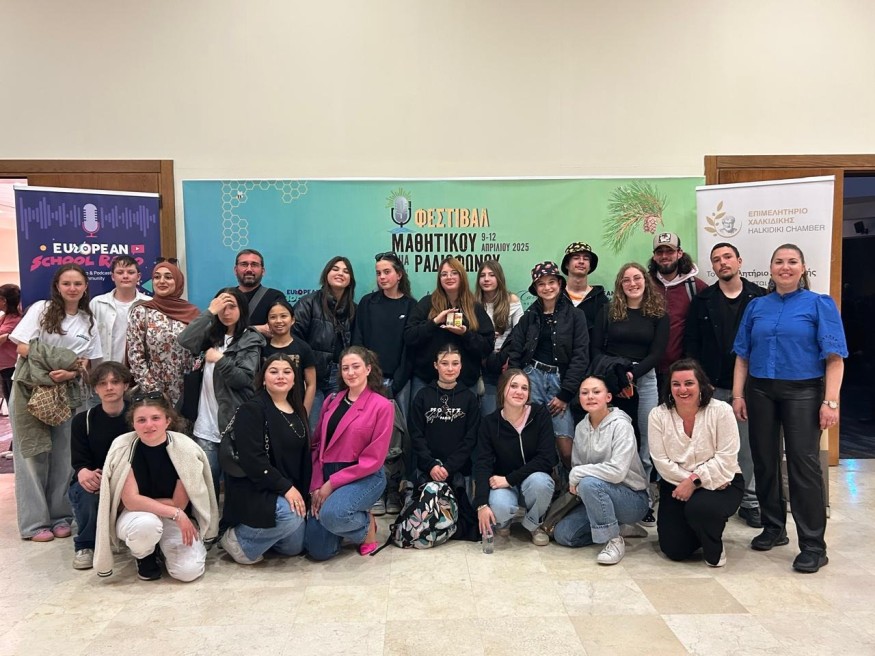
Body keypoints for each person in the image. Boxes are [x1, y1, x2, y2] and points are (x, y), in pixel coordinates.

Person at [732, 244, 847, 573]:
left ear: (803, 268)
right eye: (779, 262)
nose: (785, 267)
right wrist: (738, 395)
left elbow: (835, 358)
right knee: (764, 460)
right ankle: (773, 528)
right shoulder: (757, 306)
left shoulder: (819, 304)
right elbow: (743, 355)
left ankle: (813, 545)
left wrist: (831, 401)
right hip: (760, 390)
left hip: (803, 391)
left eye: (792, 262)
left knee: (802, 465)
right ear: (770, 268)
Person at [9, 264, 102, 541]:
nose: (72, 288)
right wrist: (59, 362)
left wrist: (71, 372)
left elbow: (86, 361)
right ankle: (35, 523)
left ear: (85, 287)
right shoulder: (42, 309)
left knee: (64, 456)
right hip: (31, 389)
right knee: (32, 456)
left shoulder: (88, 320)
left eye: (77, 283)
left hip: (68, 392)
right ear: (57, 287)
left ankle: (61, 516)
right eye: (66, 283)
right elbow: (22, 346)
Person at [94, 392, 219, 581]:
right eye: (141, 420)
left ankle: (163, 549)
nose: (149, 425)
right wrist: (175, 512)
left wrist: (147, 504)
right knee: (147, 525)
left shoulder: (185, 448)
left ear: (167, 421)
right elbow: (130, 501)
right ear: (133, 423)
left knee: (188, 572)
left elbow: (179, 503)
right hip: (137, 517)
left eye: (155, 418)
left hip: (171, 516)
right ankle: (144, 555)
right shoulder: (123, 447)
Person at [685, 242, 767, 528]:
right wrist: (699, 382)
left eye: (728, 257)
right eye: (717, 259)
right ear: (713, 266)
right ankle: (715, 497)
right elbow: (692, 344)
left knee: (748, 447)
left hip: (751, 387)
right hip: (712, 385)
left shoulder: (760, 297)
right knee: (709, 447)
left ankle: (750, 501)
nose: (723, 263)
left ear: (739, 261)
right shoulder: (702, 300)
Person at [593, 262, 668, 525]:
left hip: (644, 379)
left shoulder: (658, 314)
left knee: (646, 441)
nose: (632, 283)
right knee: (614, 438)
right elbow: (595, 349)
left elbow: (657, 353)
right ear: (620, 285)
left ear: (645, 281)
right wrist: (618, 376)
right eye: (626, 280)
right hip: (612, 379)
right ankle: (613, 496)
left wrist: (632, 375)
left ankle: (642, 499)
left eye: (637, 278)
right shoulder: (608, 311)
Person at [649, 359, 744, 567]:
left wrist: (695, 480)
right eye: (676, 384)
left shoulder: (721, 411)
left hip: (723, 481)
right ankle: (701, 529)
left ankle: (713, 544)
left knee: (702, 508)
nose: (682, 389)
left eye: (689, 383)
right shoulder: (658, 415)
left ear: (701, 385)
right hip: (676, 485)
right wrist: (689, 482)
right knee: (674, 549)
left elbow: (726, 457)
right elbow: (661, 461)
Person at [220, 354, 312, 565]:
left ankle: (263, 537)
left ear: (294, 380)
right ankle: (237, 539)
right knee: (291, 516)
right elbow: (253, 460)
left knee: (293, 548)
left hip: (285, 488)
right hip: (257, 488)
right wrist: (286, 488)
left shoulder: (298, 410)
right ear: (263, 379)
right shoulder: (252, 409)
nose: (280, 376)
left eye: (287, 372)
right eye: (273, 371)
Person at [305, 346, 393, 560]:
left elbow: (373, 459)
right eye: (345, 368)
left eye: (356, 367)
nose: (351, 372)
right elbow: (317, 446)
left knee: (332, 515)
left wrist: (331, 484)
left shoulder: (382, 406)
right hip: (327, 472)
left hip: (363, 476)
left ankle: (366, 527)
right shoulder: (331, 400)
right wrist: (316, 485)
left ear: (368, 369)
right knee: (318, 550)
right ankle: (345, 521)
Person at [553, 376, 649, 565]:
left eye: (596, 392)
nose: (590, 396)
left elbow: (617, 471)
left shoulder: (621, 425)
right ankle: (619, 527)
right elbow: (578, 467)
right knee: (563, 534)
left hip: (632, 498)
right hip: (596, 496)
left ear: (608, 397)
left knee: (589, 483)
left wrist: (579, 475)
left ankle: (613, 540)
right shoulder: (581, 428)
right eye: (584, 393)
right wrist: (579, 476)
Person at [177, 288, 265, 493]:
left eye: (232, 306)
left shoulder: (250, 340)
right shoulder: (211, 336)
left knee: (236, 484)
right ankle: (211, 516)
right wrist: (209, 312)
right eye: (222, 307)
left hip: (233, 425)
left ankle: (233, 515)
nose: (226, 312)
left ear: (242, 309)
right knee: (208, 485)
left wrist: (221, 360)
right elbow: (184, 340)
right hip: (205, 425)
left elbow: (243, 379)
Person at [506, 261, 590, 472]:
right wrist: (515, 383)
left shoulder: (575, 316)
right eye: (541, 284)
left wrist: (565, 394)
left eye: (551, 282)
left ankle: (573, 484)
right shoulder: (529, 316)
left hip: (560, 383)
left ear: (560, 284)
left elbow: (581, 356)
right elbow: (515, 350)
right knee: (533, 442)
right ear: (535, 288)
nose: (547, 287)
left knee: (566, 447)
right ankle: (545, 481)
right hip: (531, 379)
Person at [352, 251, 416, 514]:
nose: (382, 277)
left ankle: (394, 490)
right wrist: (370, 380)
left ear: (399, 274)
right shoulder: (367, 303)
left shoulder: (410, 306)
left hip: (400, 382)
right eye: (378, 273)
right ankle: (376, 491)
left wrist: (395, 384)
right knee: (372, 438)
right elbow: (358, 342)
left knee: (401, 439)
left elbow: (410, 349)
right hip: (370, 383)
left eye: (387, 272)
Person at [473, 369, 557, 547]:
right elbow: (482, 464)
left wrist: (509, 479)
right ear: (502, 389)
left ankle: (533, 525)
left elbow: (547, 458)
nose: (519, 392)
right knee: (499, 507)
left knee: (541, 482)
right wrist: (481, 504)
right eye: (514, 386)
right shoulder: (489, 423)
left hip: (529, 481)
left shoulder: (540, 415)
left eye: (524, 388)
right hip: (503, 484)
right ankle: (503, 524)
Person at [68, 362, 133, 569]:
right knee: (86, 492)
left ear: (125, 385)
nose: (109, 387)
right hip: (97, 478)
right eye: (103, 383)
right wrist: (83, 472)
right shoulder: (83, 421)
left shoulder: (138, 417)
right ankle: (86, 544)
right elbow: (80, 462)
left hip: (131, 478)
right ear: (95, 388)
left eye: (115, 382)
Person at [404, 256, 494, 403]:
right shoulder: (427, 303)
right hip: (427, 382)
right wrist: (434, 322)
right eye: (444, 274)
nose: (449, 277)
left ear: (462, 276)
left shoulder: (474, 307)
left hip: (464, 384)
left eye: (454, 273)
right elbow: (409, 336)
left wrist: (465, 334)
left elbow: (487, 346)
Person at [293, 256, 357, 433]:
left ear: (350, 280)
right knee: (312, 428)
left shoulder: (354, 309)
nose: (340, 273)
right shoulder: (308, 303)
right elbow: (294, 339)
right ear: (326, 274)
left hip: (340, 377)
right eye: (335, 269)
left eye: (346, 271)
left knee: (336, 429)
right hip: (311, 375)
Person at [126, 259, 199, 406]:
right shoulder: (141, 312)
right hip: (152, 392)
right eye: (157, 277)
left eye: (168, 277)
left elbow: (200, 351)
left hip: (187, 390)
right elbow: (135, 356)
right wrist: (154, 392)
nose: (162, 281)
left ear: (178, 282)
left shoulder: (192, 312)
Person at [409, 344, 480, 491]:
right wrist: (432, 465)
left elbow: (471, 438)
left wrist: (449, 467)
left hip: (460, 472)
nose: (450, 369)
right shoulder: (422, 396)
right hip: (428, 471)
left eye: (455, 363)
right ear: (436, 365)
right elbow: (416, 434)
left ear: (461, 366)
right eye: (444, 363)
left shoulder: (469, 399)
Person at [647, 233, 707, 386]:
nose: (664, 256)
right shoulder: (644, 285)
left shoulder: (696, 287)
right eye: (660, 252)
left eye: (670, 251)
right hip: (648, 370)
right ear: (654, 256)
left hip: (683, 372)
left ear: (680, 253)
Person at [475, 259, 523, 416]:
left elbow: (520, 333)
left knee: (509, 413)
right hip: (482, 364)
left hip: (506, 362)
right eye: (482, 275)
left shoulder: (512, 300)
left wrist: (510, 359)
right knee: (488, 413)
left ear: (499, 278)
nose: (486, 279)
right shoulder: (473, 303)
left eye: (491, 275)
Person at [261, 299, 317, 418]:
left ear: (292, 320)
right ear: (268, 322)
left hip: (295, 409)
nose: (278, 321)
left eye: (283, 316)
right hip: (267, 410)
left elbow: (311, 384)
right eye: (273, 317)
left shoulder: (304, 348)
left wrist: (304, 413)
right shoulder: (261, 348)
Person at [89, 255, 150, 365]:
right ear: (113, 276)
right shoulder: (97, 303)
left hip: (138, 370)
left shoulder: (149, 304)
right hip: (103, 369)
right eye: (120, 272)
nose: (125, 276)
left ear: (138, 276)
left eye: (131, 272)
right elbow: (88, 339)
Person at [233, 248, 286, 337]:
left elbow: (277, 329)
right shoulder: (226, 297)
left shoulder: (275, 297)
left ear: (263, 271)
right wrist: (257, 329)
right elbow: (218, 331)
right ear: (235, 270)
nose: (249, 269)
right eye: (244, 264)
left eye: (254, 265)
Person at [560, 242, 609, 331]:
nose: (581, 261)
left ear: (590, 267)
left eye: (586, 259)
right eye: (576, 258)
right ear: (567, 264)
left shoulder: (601, 300)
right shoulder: (556, 297)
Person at [0, 284, 23, 413]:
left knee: (14, 406)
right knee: (11, 404)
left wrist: (6, 337)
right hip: (4, 368)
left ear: (4, 300)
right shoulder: (4, 318)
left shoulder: (15, 320)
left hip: (12, 368)